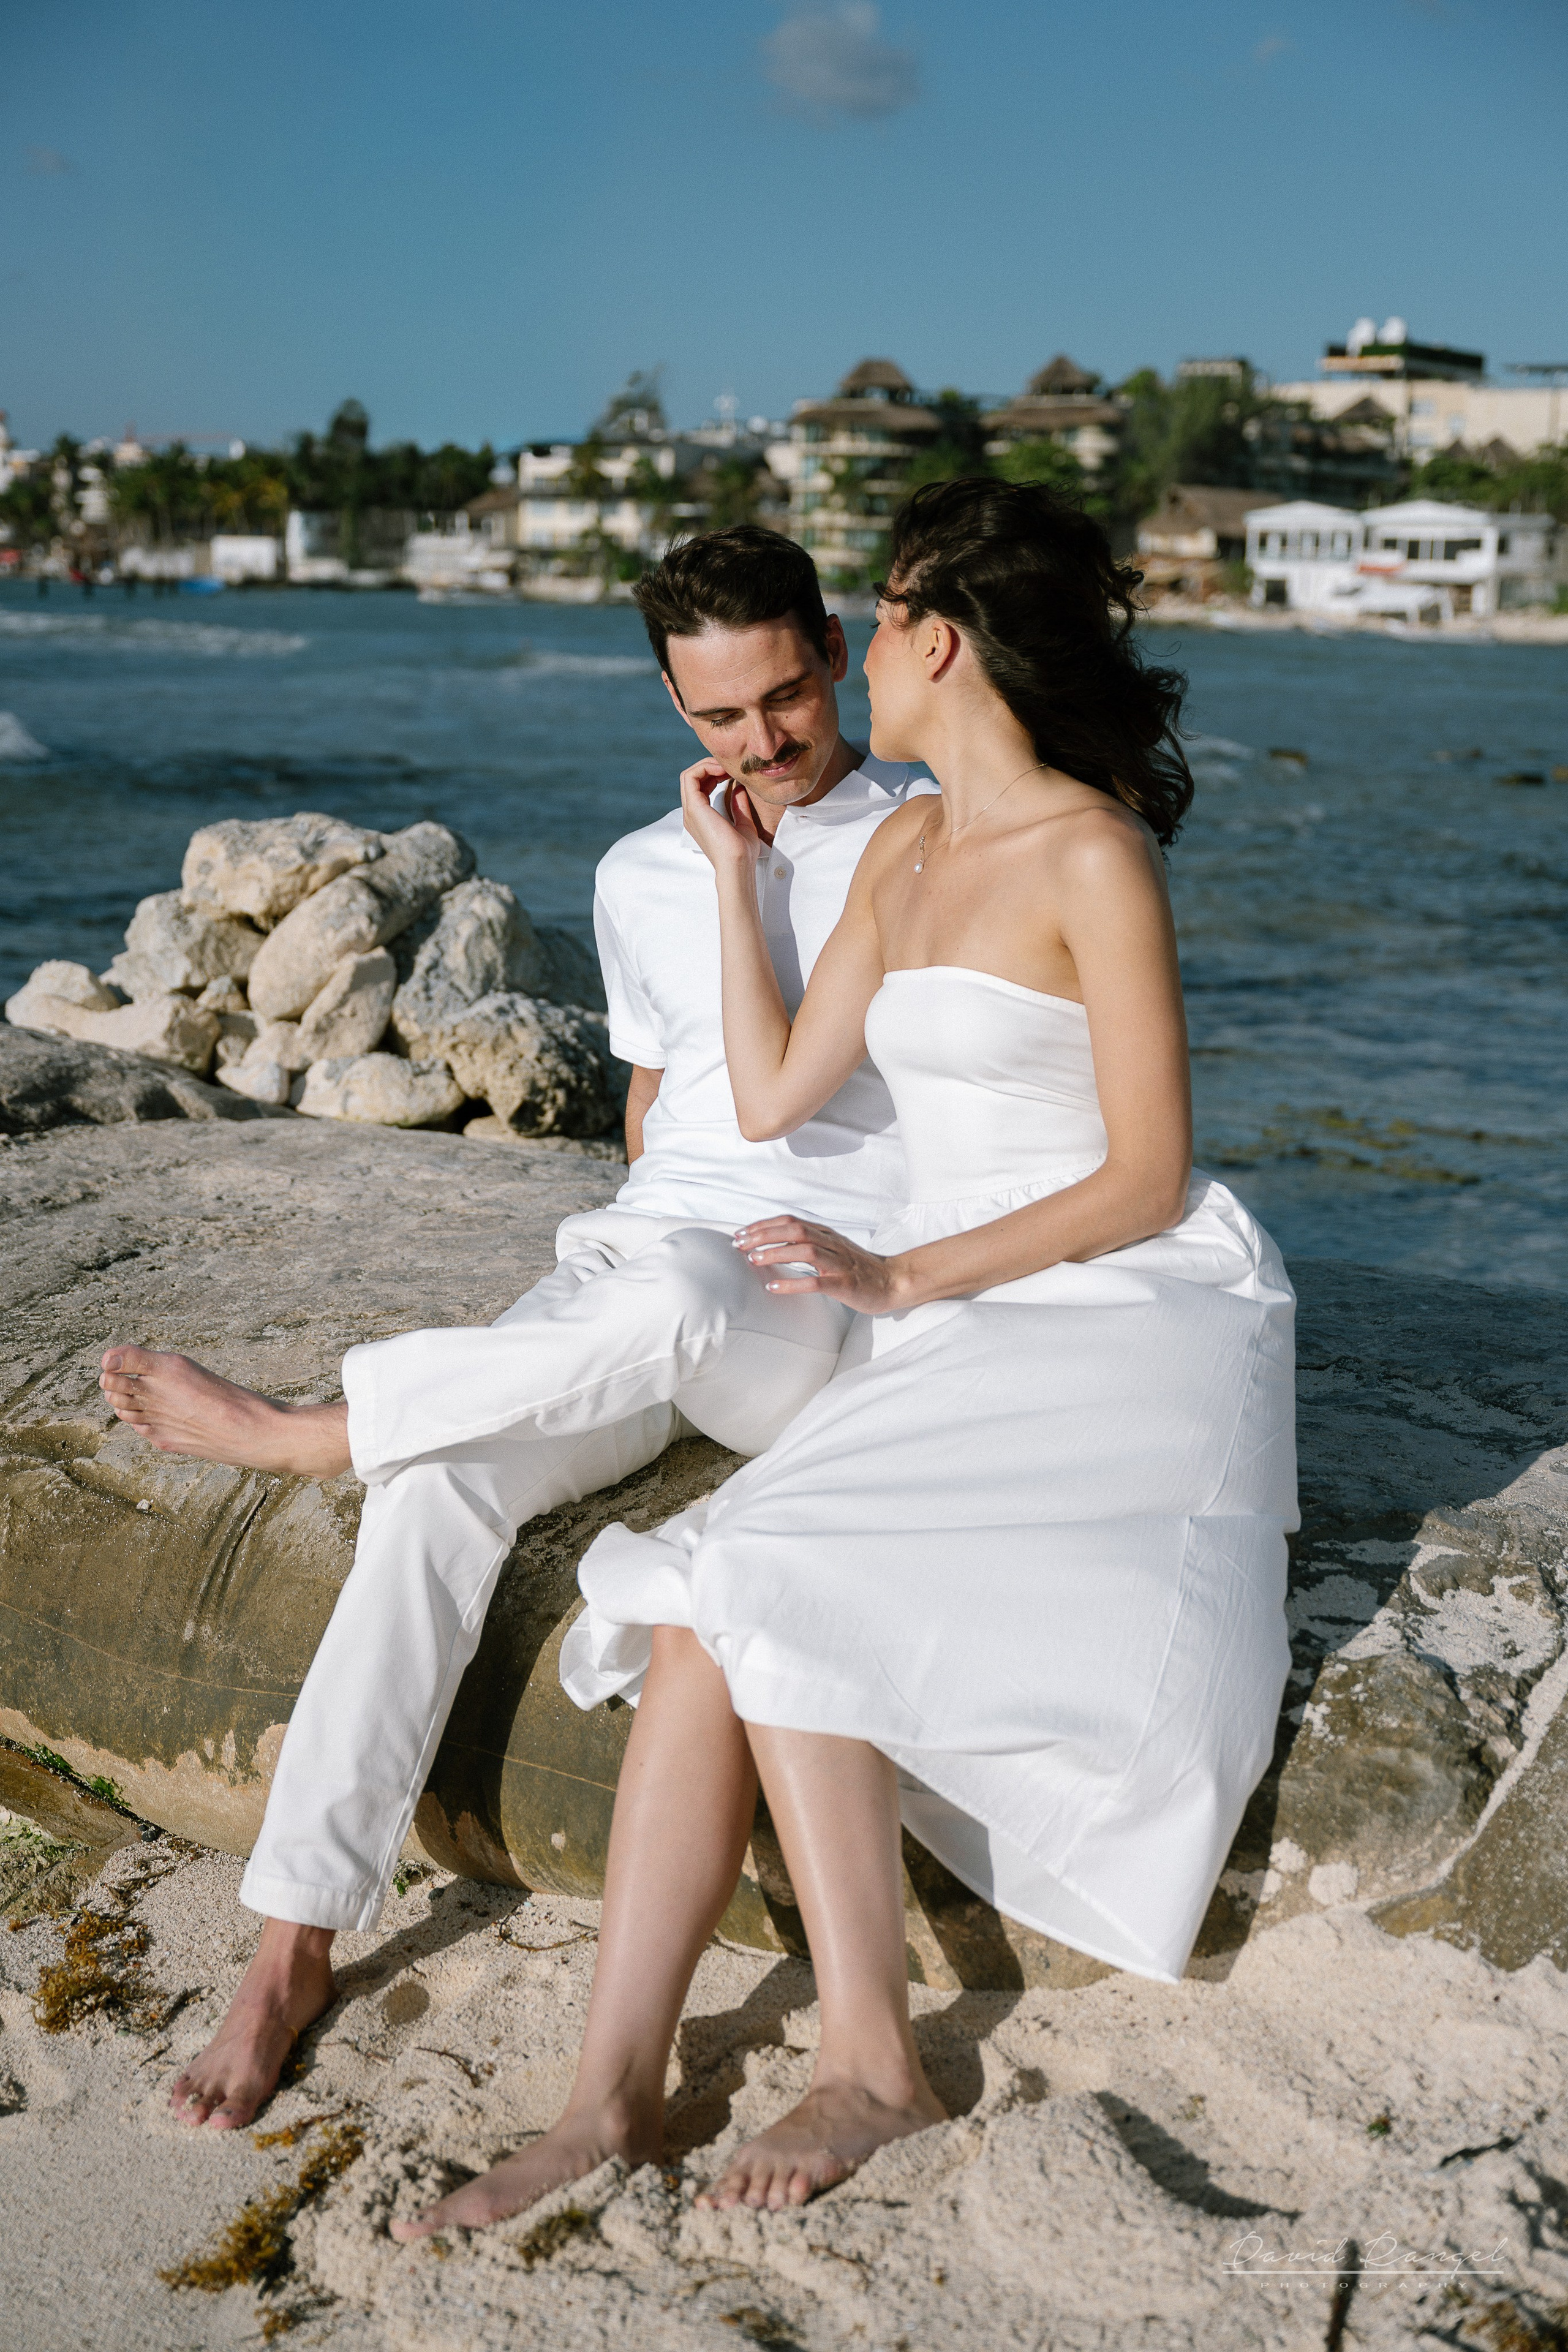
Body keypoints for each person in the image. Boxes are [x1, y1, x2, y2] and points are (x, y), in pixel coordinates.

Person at [385, 477, 1297, 2238]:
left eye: (877, 617)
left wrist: (897, 1273)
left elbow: (1143, 1172)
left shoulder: (1093, 854)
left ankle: (878, 2064)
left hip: (1118, 1306)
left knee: (774, 1566)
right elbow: (783, 1082)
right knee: (709, 1592)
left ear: (941, 638)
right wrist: (734, 883)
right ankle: (609, 2096)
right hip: (950, 1305)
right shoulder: (904, 847)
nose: (853, 652)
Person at [96, 525, 936, 2132]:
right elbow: (650, 1101)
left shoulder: (925, 836)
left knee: (684, 1300)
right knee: (440, 1488)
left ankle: (306, 1432)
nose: (756, 746)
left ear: (835, 650)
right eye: (714, 719)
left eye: (782, 698)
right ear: (669, 705)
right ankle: (292, 1945)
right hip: (639, 1272)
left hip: (800, 1305)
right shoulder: (642, 872)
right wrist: (628, 1240)